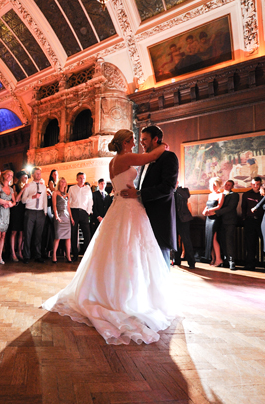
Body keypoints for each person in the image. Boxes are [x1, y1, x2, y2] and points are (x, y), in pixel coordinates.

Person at [43, 129, 174, 345]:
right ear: (124, 142)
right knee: (129, 249)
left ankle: (110, 291)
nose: (136, 143)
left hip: (119, 206)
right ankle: (126, 297)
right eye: (133, 140)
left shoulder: (113, 162)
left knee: (117, 249)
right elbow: (151, 156)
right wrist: (163, 146)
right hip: (129, 206)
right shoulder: (126, 158)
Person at [120, 125, 179, 266]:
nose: (141, 143)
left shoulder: (168, 157)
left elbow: (168, 187)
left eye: (144, 139)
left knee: (160, 260)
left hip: (160, 216)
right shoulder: (145, 160)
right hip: (143, 216)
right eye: (140, 140)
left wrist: (139, 193)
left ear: (155, 139)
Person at [20, 167, 47, 263]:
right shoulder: (28, 186)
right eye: (36, 173)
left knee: (38, 235)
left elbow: (44, 200)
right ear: (32, 175)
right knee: (28, 234)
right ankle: (26, 256)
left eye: (40, 173)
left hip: (40, 212)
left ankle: (38, 255)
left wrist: (45, 212)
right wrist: (33, 197)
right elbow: (23, 200)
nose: (38, 175)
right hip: (29, 211)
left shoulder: (43, 187)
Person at [0, 170, 15, 266]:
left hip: (6, 212)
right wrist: (5, 202)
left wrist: (9, 205)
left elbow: (14, 202)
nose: (9, 176)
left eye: (11, 175)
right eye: (8, 174)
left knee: (3, 235)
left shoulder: (11, 189)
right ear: (3, 175)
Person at [212, 180, 239, 270]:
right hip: (219, 221)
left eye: (229, 185)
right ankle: (225, 260)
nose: (226, 186)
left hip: (229, 221)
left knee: (229, 241)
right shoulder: (221, 194)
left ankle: (232, 262)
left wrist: (215, 212)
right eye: (226, 184)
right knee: (222, 241)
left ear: (232, 187)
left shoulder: (234, 195)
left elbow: (230, 207)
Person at [68, 172, 93, 261]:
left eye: (83, 178)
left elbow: (90, 201)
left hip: (84, 213)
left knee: (87, 234)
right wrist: (70, 214)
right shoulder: (71, 188)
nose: (82, 180)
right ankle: (74, 254)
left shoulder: (88, 189)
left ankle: (86, 255)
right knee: (74, 234)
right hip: (74, 211)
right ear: (77, 179)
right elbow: (69, 201)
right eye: (80, 178)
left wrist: (88, 212)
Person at [241, 177, 264, 270]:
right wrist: (244, 219)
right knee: (250, 243)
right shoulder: (246, 194)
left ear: (260, 184)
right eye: (254, 184)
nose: (255, 186)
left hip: (261, 221)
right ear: (251, 184)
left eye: (258, 184)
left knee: (264, 243)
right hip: (249, 221)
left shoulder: (263, 194)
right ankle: (250, 264)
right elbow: (243, 207)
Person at [202, 177, 224, 266]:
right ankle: (213, 259)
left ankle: (219, 259)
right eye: (212, 185)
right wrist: (205, 210)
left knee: (214, 238)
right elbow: (207, 205)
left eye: (215, 185)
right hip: (208, 219)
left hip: (215, 219)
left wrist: (210, 210)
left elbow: (219, 207)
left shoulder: (221, 194)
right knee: (209, 239)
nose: (213, 186)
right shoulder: (210, 195)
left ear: (218, 185)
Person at [51, 177, 73, 263]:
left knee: (68, 238)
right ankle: (54, 255)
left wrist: (71, 217)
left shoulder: (67, 194)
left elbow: (68, 207)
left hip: (66, 217)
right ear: (59, 183)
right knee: (58, 237)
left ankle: (68, 256)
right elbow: (54, 206)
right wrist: (56, 216)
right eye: (61, 181)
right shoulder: (55, 193)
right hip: (59, 215)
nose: (63, 183)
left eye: (64, 181)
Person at [174, 181, 195, 269]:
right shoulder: (169, 191)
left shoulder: (183, 190)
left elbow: (186, 196)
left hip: (184, 219)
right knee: (174, 241)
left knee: (186, 240)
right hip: (174, 219)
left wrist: (175, 188)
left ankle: (191, 262)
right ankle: (177, 260)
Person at [9, 171, 27, 261]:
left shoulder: (27, 187)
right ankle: (12, 252)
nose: (26, 179)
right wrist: (23, 190)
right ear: (20, 178)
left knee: (21, 232)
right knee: (14, 232)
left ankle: (19, 251)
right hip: (16, 210)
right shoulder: (15, 186)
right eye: (25, 177)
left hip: (24, 210)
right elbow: (16, 199)